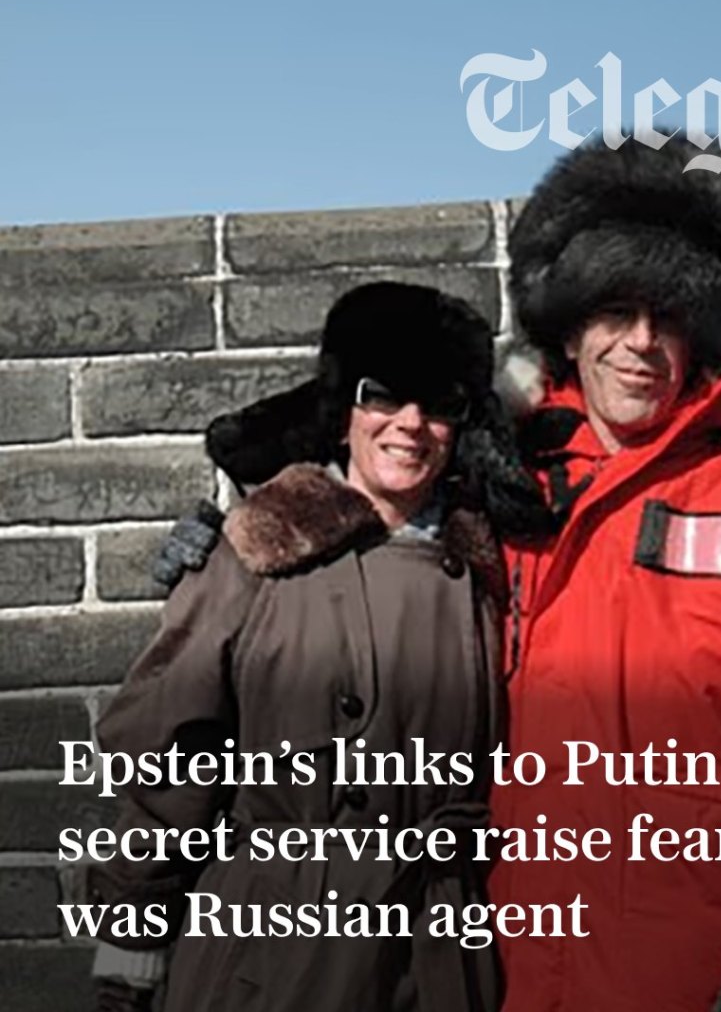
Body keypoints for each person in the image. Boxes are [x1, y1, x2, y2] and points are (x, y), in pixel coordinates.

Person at [151, 137, 721, 1012]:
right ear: (570, 326)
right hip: (500, 968)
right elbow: (366, 510)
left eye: (670, 316)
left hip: (700, 967)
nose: (641, 342)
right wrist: (232, 541)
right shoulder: (501, 490)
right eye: (615, 310)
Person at [90, 282, 520, 1012]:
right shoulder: (257, 549)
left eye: (440, 403)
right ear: (343, 410)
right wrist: (132, 933)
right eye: (384, 395)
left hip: (440, 946)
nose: (410, 424)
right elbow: (171, 750)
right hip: (279, 941)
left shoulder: (494, 568)